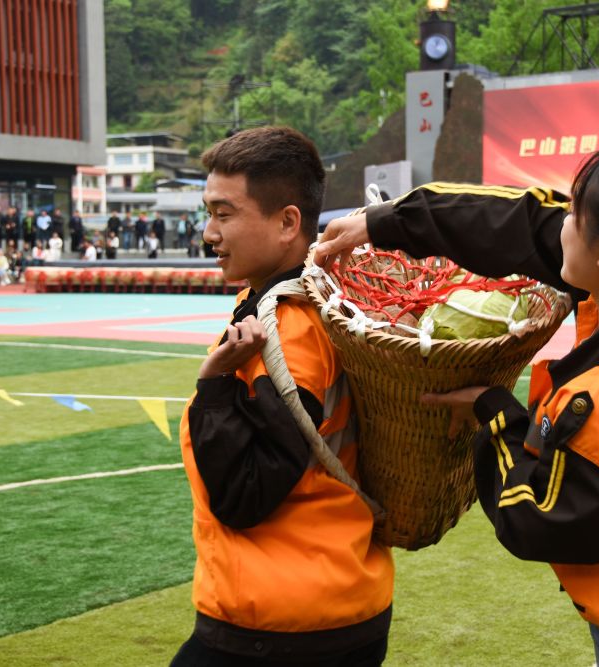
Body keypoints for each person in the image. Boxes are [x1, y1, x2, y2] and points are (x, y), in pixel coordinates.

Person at [315, 143, 599, 666]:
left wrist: (496, 414)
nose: (561, 223)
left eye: (575, 216)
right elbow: (522, 222)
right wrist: (384, 222)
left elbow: (534, 517)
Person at [170, 126, 393, 667]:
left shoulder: (288, 332)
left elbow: (244, 494)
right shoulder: (324, 300)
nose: (209, 232)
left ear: (288, 222)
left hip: (277, 622)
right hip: (344, 595)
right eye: (208, 213)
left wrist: (214, 387)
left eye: (224, 214)